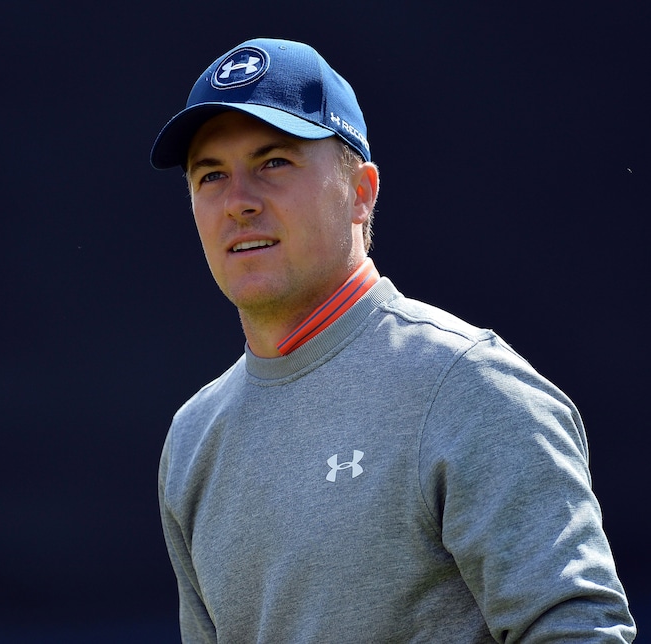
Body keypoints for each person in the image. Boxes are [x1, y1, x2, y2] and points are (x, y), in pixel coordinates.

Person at [150, 37, 636, 642]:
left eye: (274, 162)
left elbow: (578, 629)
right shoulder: (194, 438)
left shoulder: (468, 384)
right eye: (211, 175)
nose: (239, 202)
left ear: (361, 194)